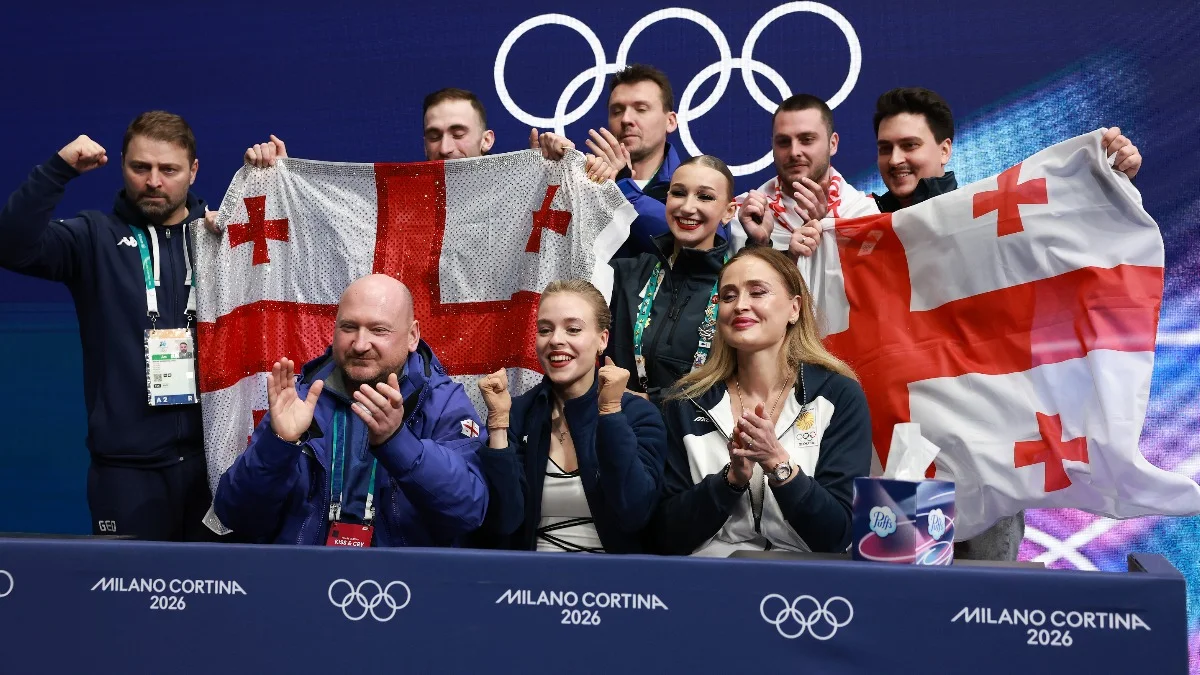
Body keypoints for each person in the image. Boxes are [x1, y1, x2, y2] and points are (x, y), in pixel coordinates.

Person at [0, 111, 213, 541]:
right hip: (126, 473)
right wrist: (57, 169)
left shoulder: (221, 237)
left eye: (168, 169)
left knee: (217, 601)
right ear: (122, 165)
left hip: (216, 467)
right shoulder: (92, 238)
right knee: (128, 604)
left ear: (192, 171)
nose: (154, 181)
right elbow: (11, 245)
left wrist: (271, 177)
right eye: (141, 167)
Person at [212, 274, 488, 546]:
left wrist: (398, 443)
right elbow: (237, 516)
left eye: (379, 330)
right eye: (348, 327)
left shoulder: (443, 403)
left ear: (412, 336)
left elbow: (467, 512)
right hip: (303, 578)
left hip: (405, 583)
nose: (360, 344)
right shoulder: (300, 399)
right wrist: (278, 445)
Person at [651, 247, 872, 556]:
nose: (740, 305)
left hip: (804, 589)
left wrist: (779, 466)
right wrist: (731, 481)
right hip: (707, 583)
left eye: (757, 292)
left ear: (794, 309)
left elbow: (836, 535)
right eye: (728, 296)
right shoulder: (685, 400)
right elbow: (666, 536)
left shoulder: (838, 395)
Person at [474, 280, 667, 553]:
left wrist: (610, 412)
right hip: (531, 586)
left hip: (613, 588)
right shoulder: (514, 413)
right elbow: (503, 522)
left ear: (602, 340)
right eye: (545, 330)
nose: (555, 340)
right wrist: (498, 426)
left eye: (573, 329)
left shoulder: (638, 414)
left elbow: (633, 514)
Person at [872, 86, 1142, 212]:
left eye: (909, 145)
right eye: (885, 148)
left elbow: (1070, 228)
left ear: (945, 151)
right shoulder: (858, 222)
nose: (895, 160)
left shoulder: (981, 216)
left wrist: (1108, 180)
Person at [606, 155, 737, 407]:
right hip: (624, 433)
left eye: (705, 197)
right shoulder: (629, 273)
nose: (687, 207)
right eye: (678, 193)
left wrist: (649, 400)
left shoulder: (738, 288)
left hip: (700, 439)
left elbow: (744, 383)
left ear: (728, 211)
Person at [529, 64, 687, 258]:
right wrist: (549, 179)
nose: (626, 119)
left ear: (670, 121)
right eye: (617, 111)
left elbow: (687, 243)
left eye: (641, 109)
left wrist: (622, 186)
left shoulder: (695, 185)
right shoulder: (586, 182)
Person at [731, 94, 879, 263]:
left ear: (833, 144)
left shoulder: (863, 214)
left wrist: (826, 231)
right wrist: (760, 244)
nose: (794, 152)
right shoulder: (744, 216)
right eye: (784, 142)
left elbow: (866, 285)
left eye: (807, 140)